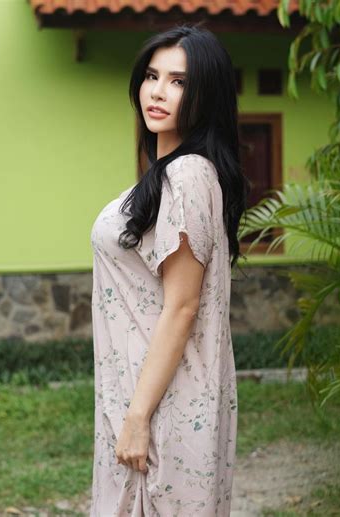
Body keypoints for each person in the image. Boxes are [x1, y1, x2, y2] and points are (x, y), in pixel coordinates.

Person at [90, 22, 249, 516]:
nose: (157, 92)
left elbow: (183, 306)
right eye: (152, 76)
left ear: (205, 96)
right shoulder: (165, 177)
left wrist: (138, 417)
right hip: (139, 391)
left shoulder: (189, 174)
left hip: (163, 402)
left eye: (179, 82)